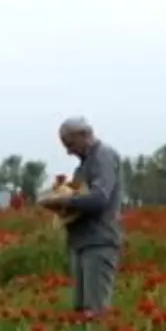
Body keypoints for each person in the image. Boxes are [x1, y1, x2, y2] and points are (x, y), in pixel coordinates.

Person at [39, 116, 124, 317]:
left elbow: (99, 199)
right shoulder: (83, 165)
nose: (68, 151)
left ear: (84, 135)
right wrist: (62, 193)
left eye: (70, 144)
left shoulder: (103, 156)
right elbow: (82, 195)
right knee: (81, 310)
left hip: (99, 241)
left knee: (95, 311)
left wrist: (63, 202)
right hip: (81, 242)